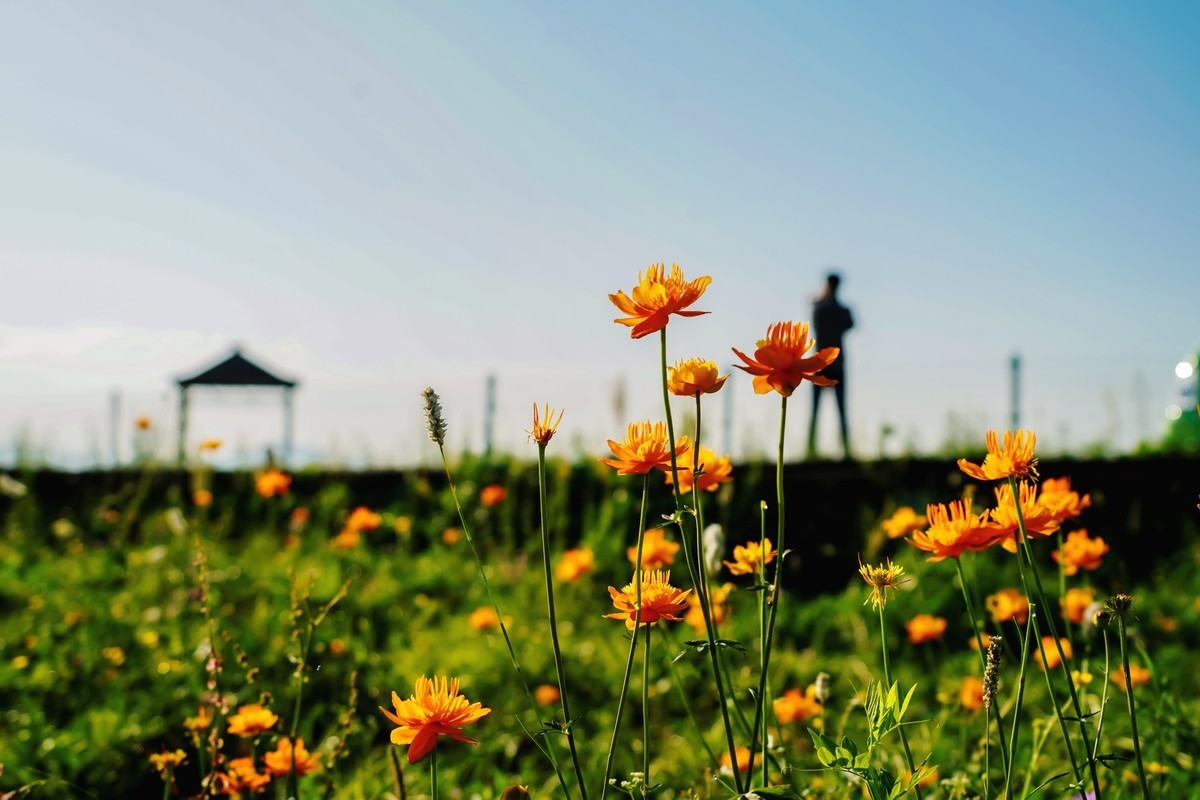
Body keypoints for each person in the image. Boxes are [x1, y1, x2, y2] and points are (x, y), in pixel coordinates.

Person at [807, 272, 854, 458]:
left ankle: (810, 450)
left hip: (818, 363)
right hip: (836, 363)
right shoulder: (842, 310)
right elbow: (850, 324)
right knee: (841, 409)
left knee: (815, 409)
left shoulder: (819, 308)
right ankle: (846, 451)